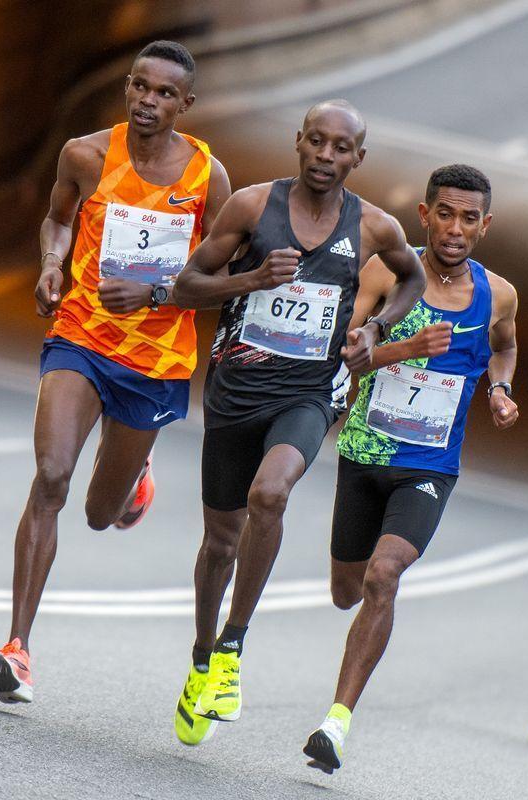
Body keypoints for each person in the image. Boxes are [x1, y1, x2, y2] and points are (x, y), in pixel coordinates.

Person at [0, 41, 231, 705]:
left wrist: (160, 295)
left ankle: (132, 486)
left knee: (98, 512)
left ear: (186, 104)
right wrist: (53, 265)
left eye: (165, 93)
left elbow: (223, 278)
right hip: (82, 337)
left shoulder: (209, 177)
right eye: (140, 88)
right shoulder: (85, 155)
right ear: (127, 88)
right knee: (53, 476)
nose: (149, 102)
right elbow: (57, 220)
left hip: (154, 361)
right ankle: (16, 648)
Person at [167, 100, 427, 746]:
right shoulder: (254, 207)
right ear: (299, 143)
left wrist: (375, 327)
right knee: (219, 543)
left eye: (342, 148)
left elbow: (412, 279)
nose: (326, 156)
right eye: (316, 142)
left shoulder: (373, 226)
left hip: (310, 393)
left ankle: (233, 645)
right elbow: (185, 285)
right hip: (235, 390)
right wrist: (251, 278)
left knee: (270, 492)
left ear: (357, 158)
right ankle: (202, 658)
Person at [301, 164, 519, 773]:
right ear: (424, 215)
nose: (455, 228)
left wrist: (499, 390)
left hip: (430, 465)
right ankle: (347, 662)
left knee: (383, 574)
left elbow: (504, 343)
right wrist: (404, 348)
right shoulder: (386, 273)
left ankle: (336, 722)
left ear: (485, 224)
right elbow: (343, 358)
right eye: (444, 214)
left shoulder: (497, 293)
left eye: (468, 218)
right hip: (365, 453)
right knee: (347, 589)